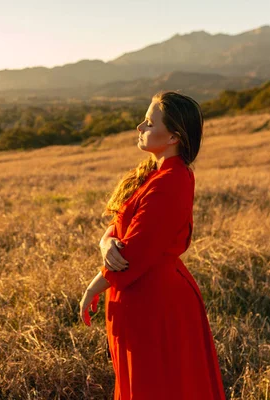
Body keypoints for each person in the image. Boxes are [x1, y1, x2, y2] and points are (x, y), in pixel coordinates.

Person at [79, 91, 226, 399]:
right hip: (140, 297)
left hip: (155, 302)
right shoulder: (154, 173)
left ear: (173, 136)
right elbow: (123, 225)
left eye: (148, 122)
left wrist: (93, 287)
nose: (139, 127)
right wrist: (105, 241)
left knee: (157, 385)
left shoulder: (171, 181)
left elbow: (134, 253)